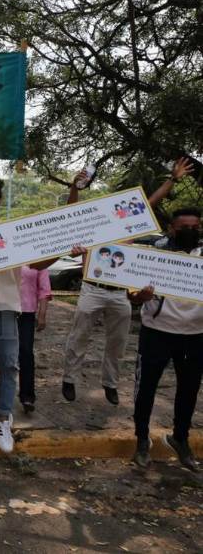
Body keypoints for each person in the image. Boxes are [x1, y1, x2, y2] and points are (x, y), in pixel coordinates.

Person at [0, 175, 84, 455]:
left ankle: (3, 418)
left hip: (8, 309)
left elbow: (37, 263)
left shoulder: (13, 232)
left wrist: (61, 252)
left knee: (10, 366)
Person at [62, 157, 194, 406]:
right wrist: (75, 188)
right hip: (92, 289)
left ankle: (110, 384)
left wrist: (173, 179)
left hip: (119, 293)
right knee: (79, 336)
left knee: (118, 341)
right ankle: (69, 378)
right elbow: (71, 214)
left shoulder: (129, 229)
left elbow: (152, 201)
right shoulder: (90, 229)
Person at [129, 207, 202, 471]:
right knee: (146, 389)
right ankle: (141, 441)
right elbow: (133, 296)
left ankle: (181, 439)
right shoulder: (154, 256)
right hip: (156, 333)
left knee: (189, 391)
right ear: (172, 228)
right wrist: (141, 297)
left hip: (195, 336)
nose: (191, 232)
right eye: (184, 228)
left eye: (195, 227)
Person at [17, 265, 52, 413]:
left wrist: (42, 314)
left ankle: (27, 396)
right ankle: (2, 396)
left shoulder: (36, 255)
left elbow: (44, 288)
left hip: (27, 312)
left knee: (26, 352)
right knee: (5, 355)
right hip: (4, 310)